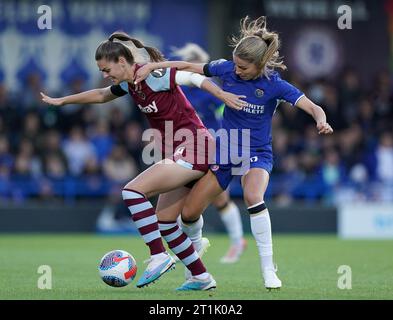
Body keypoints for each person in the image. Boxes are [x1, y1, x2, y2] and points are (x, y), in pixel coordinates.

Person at [135, 16, 333, 290]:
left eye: (243, 67)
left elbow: (312, 106)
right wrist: (154, 66)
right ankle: (195, 272)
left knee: (253, 196)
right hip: (225, 151)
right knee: (189, 214)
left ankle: (268, 269)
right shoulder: (226, 69)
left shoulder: (275, 84)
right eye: (236, 64)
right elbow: (186, 67)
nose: (237, 71)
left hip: (257, 152)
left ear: (260, 65)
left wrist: (321, 121)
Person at [40, 31, 246, 291]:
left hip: (196, 147)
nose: (105, 74)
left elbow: (192, 77)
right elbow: (102, 95)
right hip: (184, 151)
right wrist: (63, 101)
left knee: (132, 191)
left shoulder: (154, 75)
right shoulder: (130, 84)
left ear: (122, 62)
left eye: (106, 69)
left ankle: (158, 256)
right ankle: (201, 277)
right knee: (166, 221)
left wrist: (222, 96)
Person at [172, 43, 247, 264]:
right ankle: (188, 248)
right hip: (189, 147)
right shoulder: (180, 89)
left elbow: (226, 109)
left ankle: (235, 241)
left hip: (212, 146)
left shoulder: (209, 88)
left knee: (219, 199)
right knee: (189, 199)